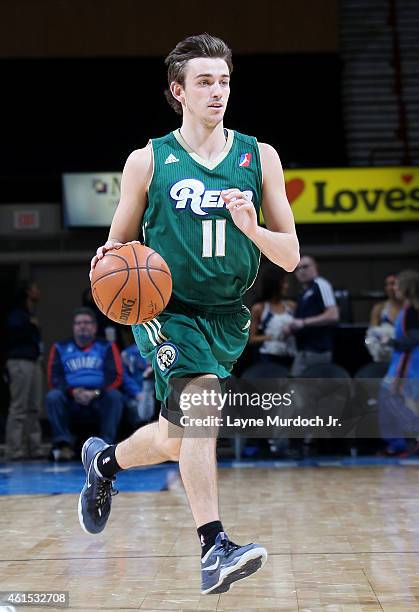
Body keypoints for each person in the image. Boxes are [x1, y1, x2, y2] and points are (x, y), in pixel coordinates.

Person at [78, 34, 299, 595]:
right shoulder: (148, 159)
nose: (217, 91)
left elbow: (291, 257)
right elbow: (119, 247)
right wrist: (105, 258)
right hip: (166, 309)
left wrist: (252, 229)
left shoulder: (259, 156)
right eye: (204, 81)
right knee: (203, 410)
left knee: (180, 438)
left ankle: (104, 466)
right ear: (178, 91)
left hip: (228, 315)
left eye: (224, 80)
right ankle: (214, 545)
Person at [46, 307, 124, 460]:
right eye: (78, 323)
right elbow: (53, 378)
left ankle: (105, 448)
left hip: (98, 398)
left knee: (115, 396)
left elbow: (116, 376)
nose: (82, 326)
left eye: (87, 323)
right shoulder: (60, 347)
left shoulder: (106, 346)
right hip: (71, 399)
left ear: (94, 327)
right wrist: (73, 392)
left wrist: (96, 392)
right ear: (74, 327)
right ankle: (63, 446)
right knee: (53, 396)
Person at [379, 270, 419, 456]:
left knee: (393, 397)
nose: (394, 288)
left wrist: (390, 341)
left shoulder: (412, 311)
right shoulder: (409, 308)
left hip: (409, 361)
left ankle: (404, 443)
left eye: (397, 284)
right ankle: (403, 442)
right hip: (405, 359)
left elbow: (413, 339)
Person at [4, 280, 44, 460]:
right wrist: (31, 325)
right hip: (20, 362)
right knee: (19, 407)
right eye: (35, 288)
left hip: (34, 361)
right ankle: (14, 449)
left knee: (34, 407)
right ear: (28, 291)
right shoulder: (17, 315)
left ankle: (34, 448)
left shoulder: (30, 313)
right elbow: (13, 334)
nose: (38, 291)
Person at [287, 255, 339, 377]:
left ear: (315, 267)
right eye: (297, 268)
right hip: (303, 350)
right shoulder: (304, 293)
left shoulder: (321, 284)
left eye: (305, 267)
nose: (301, 271)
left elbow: (333, 314)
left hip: (317, 351)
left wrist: (304, 322)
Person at [249, 263, 296, 369]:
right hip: (268, 357)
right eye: (283, 282)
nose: (286, 286)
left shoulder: (291, 306)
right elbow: (252, 339)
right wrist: (272, 336)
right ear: (274, 285)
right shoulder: (260, 308)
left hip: (290, 356)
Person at [365, 273, 403, 363]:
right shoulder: (379, 308)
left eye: (393, 283)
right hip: (385, 356)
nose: (390, 287)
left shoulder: (411, 308)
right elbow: (371, 334)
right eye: (388, 284)